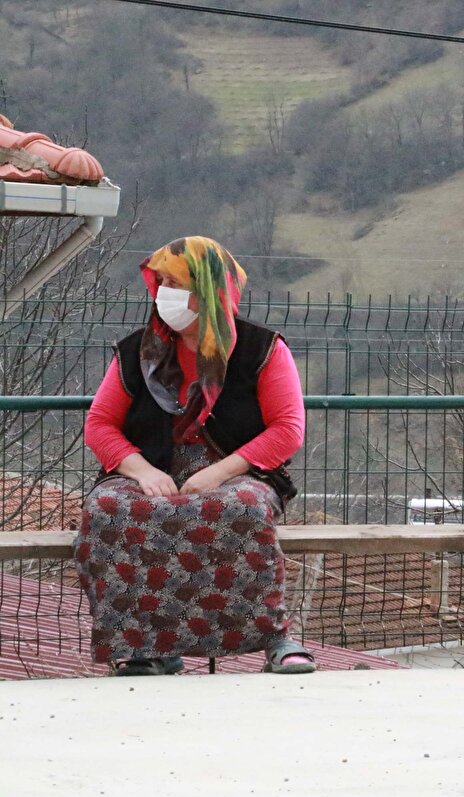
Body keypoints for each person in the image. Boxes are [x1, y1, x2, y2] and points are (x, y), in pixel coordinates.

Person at [74, 236, 315, 676]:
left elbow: (287, 429)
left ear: (207, 290)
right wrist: (141, 470)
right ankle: (147, 647)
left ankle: (275, 638)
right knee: (110, 508)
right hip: (148, 467)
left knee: (240, 507)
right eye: (160, 281)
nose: (163, 291)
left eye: (175, 282)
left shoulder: (262, 350)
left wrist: (218, 473)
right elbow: (100, 424)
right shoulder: (137, 352)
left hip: (237, 470)